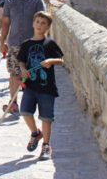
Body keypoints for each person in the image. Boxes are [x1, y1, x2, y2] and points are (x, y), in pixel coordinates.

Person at [19, 11, 64, 160]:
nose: (39, 25)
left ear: (48, 27)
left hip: (46, 87)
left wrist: (51, 60)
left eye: (43, 23)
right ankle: (35, 133)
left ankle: (46, 145)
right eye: (37, 22)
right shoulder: (26, 44)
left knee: (46, 117)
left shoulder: (50, 44)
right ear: (33, 23)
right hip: (30, 86)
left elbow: (61, 60)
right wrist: (23, 70)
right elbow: (22, 61)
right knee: (25, 111)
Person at [0, 0, 46, 116]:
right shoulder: (9, 2)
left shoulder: (37, 1)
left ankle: (31, 104)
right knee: (14, 73)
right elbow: (6, 23)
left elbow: (44, 21)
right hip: (14, 43)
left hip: (32, 44)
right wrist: (2, 41)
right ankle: (13, 104)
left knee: (32, 75)